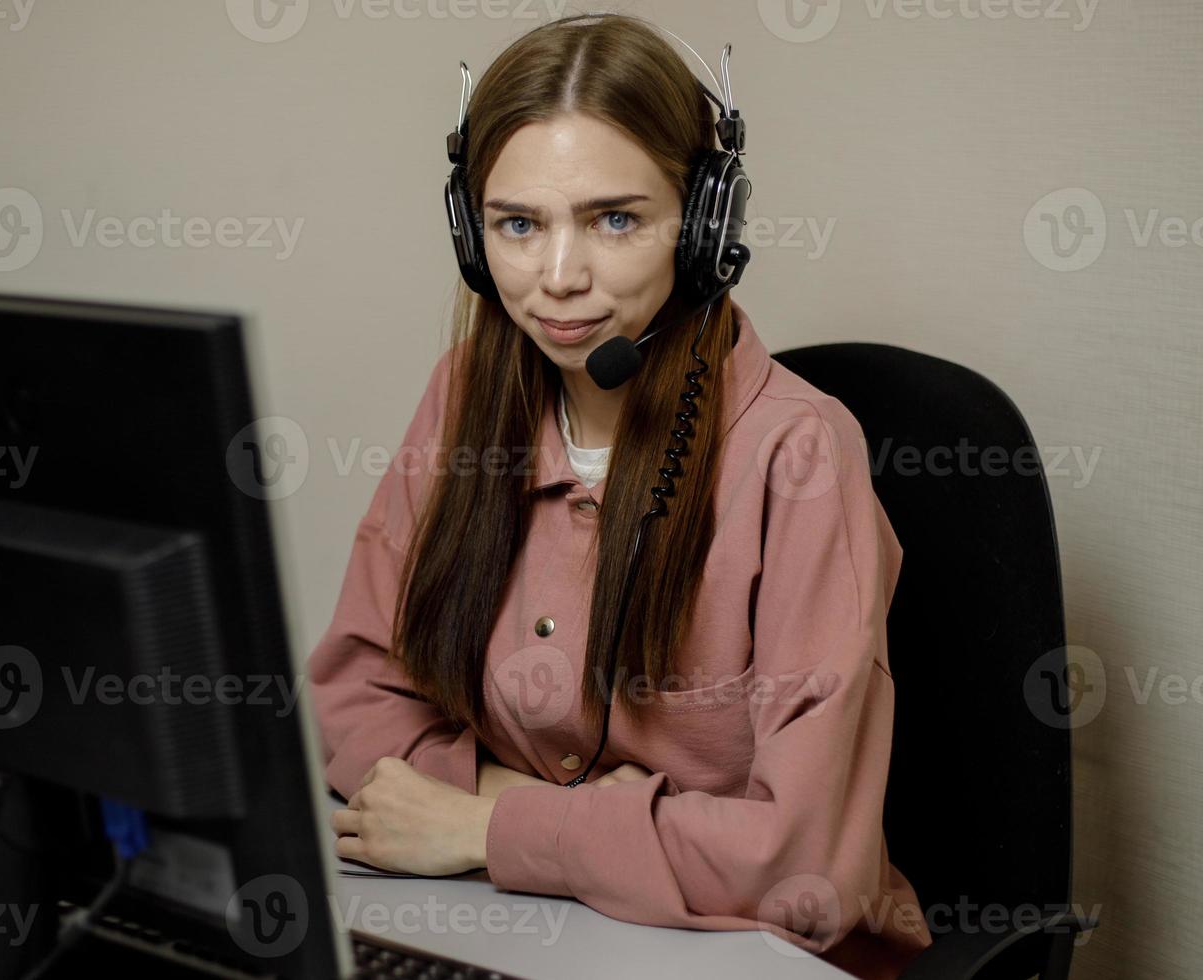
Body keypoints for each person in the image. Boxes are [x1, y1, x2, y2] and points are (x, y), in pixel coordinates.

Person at [307, 13, 932, 977]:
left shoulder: (801, 454)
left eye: (616, 220)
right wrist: (508, 815)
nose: (558, 279)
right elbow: (353, 694)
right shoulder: (464, 396)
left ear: (704, 229)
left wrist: (493, 826)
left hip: (743, 954)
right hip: (517, 927)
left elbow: (805, 864)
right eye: (518, 225)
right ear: (474, 239)